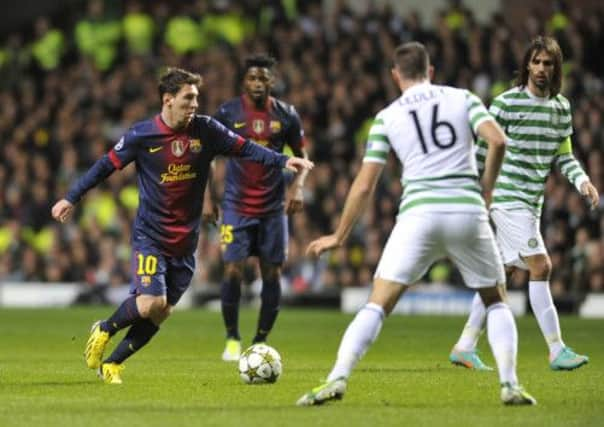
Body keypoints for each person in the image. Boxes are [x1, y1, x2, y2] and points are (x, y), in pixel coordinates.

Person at [297, 42, 536, 406]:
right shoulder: (464, 98)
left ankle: (337, 378)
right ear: (431, 71)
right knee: (495, 300)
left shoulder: (387, 116)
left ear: (396, 75)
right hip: (466, 212)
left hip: (418, 216)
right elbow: (498, 141)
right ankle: (510, 385)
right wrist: (485, 193)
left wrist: (339, 235)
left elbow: (365, 184)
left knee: (377, 304)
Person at [51, 67, 313, 384]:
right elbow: (104, 166)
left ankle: (113, 364)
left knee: (162, 312)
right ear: (168, 100)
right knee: (152, 303)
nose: (194, 105)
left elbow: (246, 147)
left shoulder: (206, 130)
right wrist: (71, 198)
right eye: (188, 99)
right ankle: (105, 328)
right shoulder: (142, 135)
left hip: (186, 242)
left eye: (196, 99)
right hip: (151, 236)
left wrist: (283, 160)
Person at [449, 36, 599, 372]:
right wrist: (475, 191)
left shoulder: (561, 108)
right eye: (537, 62)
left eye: (548, 63)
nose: (542, 69)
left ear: (556, 68)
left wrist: (583, 181)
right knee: (541, 266)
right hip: (506, 196)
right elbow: (483, 151)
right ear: (527, 65)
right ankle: (556, 349)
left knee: (501, 273)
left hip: (532, 201)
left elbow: (565, 157)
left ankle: (464, 345)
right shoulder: (505, 104)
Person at [210, 54, 309, 361]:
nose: (257, 83)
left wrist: (298, 185)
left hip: (272, 208)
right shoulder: (227, 112)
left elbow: (302, 157)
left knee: (272, 273)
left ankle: (260, 340)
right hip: (235, 206)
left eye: (262, 79)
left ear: (272, 82)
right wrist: (205, 197)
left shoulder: (287, 114)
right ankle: (232, 338)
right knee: (232, 270)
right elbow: (207, 156)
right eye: (252, 78)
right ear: (244, 81)